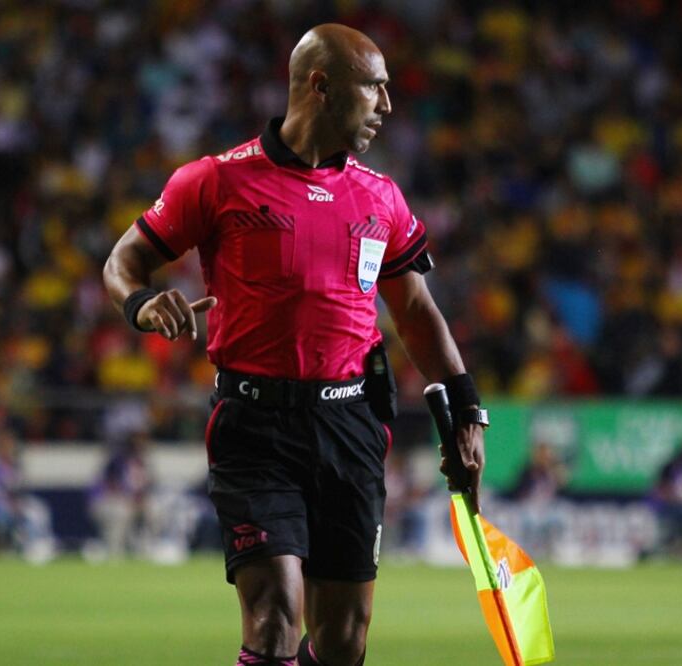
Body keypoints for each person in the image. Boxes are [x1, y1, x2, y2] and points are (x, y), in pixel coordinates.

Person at [103, 24, 487, 666]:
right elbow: (123, 262)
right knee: (274, 613)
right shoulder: (215, 181)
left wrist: (466, 410)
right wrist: (143, 303)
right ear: (321, 86)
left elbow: (417, 312)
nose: (387, 107)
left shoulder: (381, 197)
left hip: (350, 423)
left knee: (343, 640)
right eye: (375, 89)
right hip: (255, 426)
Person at [88, 428, 154, 559]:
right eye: (138, 441)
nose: (141, 445)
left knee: (154, 510)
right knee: (122, 512)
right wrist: (129, 500)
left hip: (130, 502)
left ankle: (145, 549)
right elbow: (111, 485)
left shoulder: (141, 462)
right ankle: (115, 552)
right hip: (106, 501)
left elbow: (146, 487)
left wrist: (140, 501)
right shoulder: (117, 460)